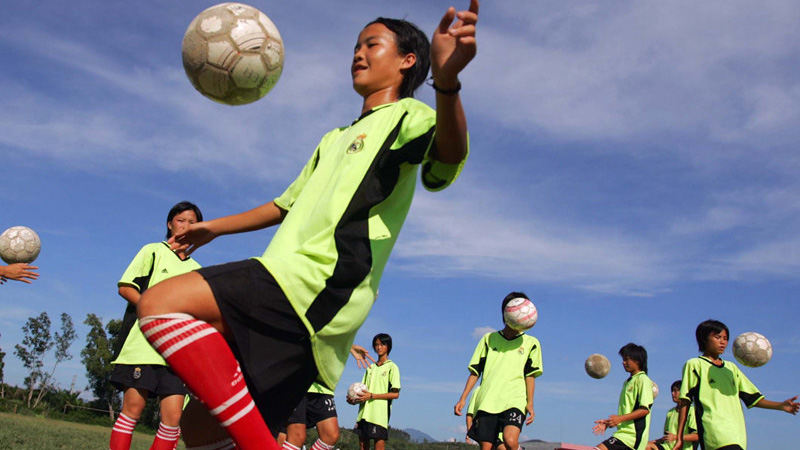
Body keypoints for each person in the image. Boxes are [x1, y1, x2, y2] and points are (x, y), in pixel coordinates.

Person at [135, 3, 478, 450]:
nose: (358, 53)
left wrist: (447, 83)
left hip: (322, 279)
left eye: (372, 44)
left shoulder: (412, 117)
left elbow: (447, 157)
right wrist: (214, 228)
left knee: (159, 303)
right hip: (289, 278)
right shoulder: (332, 139)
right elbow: (284, 205)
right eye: (355, 46)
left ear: (407, 61)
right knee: (200, 430)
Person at [108, 201, 203, 450]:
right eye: (181, 220)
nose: (186, 226)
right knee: (133, 409)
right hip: (143, 346)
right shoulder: (153, 251)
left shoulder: (198, 271)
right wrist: (154, 310)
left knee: (173, 419)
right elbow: (126, 287)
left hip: (176, 353)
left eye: (192, 222)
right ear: (170, 224)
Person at [673, 319, 800, 450]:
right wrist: (679, 437)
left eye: (725, 338)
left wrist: (781, 406)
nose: (723, 342)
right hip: (714, 432)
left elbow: (753, 398)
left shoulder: (731, 368)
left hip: (738, 435)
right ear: (704, 339)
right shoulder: (695, 365)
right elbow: (685, 401)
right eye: (718, 337)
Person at [454, 292, 543, 450]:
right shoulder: (488, 339)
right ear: (506, 312)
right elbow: (475, 371)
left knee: (510, 440)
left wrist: (530, 403)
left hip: (515, 399)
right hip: (488, 400)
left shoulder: (531, 343)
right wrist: (463, 398)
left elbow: (530, 376)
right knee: (487, 447)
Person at [277, 345, 375, 450]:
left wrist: (348, 346)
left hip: (323, 387)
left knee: (331, 435)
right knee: (294, 437)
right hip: (299, 380)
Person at [592, 343, 653, 450]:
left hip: (632, 437)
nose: (623, 362)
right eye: (623, 359)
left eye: (626, 359)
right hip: (623, 434)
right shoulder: (627, 382)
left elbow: (644, 410)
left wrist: (619, 419)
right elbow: (629, 412)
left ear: (637, 361)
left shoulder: (643, 380)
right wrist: (609, 422)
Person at [349, 334, 401, 450]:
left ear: (388, 346)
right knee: (363, 446)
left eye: (382, 344)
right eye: (376, 344)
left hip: (379, 416)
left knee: (379, 446)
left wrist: (372, 396)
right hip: (363, 414)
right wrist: (353, 400)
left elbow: (395, 394)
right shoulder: (370, 367)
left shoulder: (392, 367)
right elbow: (363, 391)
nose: (379, 347)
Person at [645, 381, 698, 450]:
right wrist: (650, 442)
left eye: (675, 391)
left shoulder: (691, 411)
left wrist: (676, 437)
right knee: (644, 446)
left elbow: (697, 436)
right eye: (672, 391)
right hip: (667, 447)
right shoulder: (670, 412)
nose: (673, 393)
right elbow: (667, 438)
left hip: (684, 448)